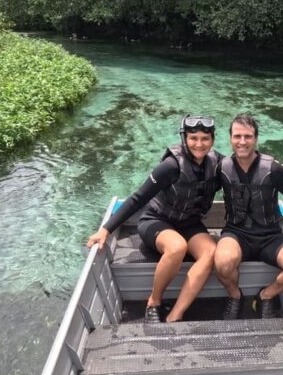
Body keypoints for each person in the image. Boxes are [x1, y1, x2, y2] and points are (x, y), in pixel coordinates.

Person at [86, 115, 221, 322]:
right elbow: (138, 198)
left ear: (213, 139)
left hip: (189, 223)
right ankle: (154, 302)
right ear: (184, 138)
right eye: (193, 138)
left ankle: (176, 313)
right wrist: (106, 229)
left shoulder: (217, 162)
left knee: (211, 252)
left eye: (205, 138)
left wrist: (275, 170)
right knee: (177, 247)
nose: (199, 144)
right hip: (157, 221)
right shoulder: (170, 166)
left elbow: (245, 171)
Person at [215, 113, 283, 320]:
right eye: (237, 136)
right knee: (221, 261)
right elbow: (199, 186)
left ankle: (266, 294)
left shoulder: (273, 169)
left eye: (248, 136)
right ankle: (235, 296)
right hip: (236, 234)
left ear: (256, 138)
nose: (242, 142)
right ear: (230, 138)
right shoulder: (222, 168)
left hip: (270, 236)